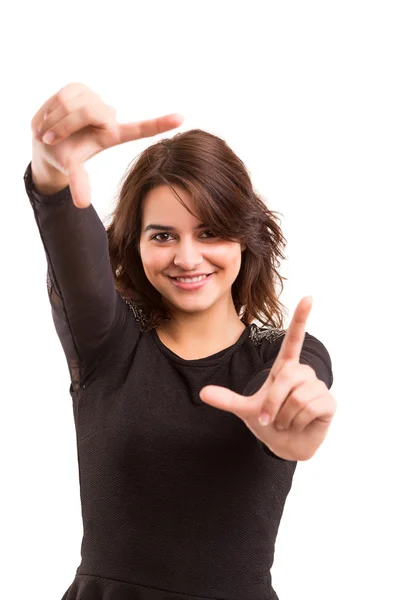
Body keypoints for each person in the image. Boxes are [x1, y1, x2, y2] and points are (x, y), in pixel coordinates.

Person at [24, 82, 336, 600]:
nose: (188, 258)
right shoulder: (107, 347)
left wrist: (287, 416)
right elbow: (71, 251)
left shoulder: (281, 357)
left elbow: (295, 382)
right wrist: (53, 175)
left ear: (246, 237)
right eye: (163, 235)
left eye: (210, 231)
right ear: (135, 244)